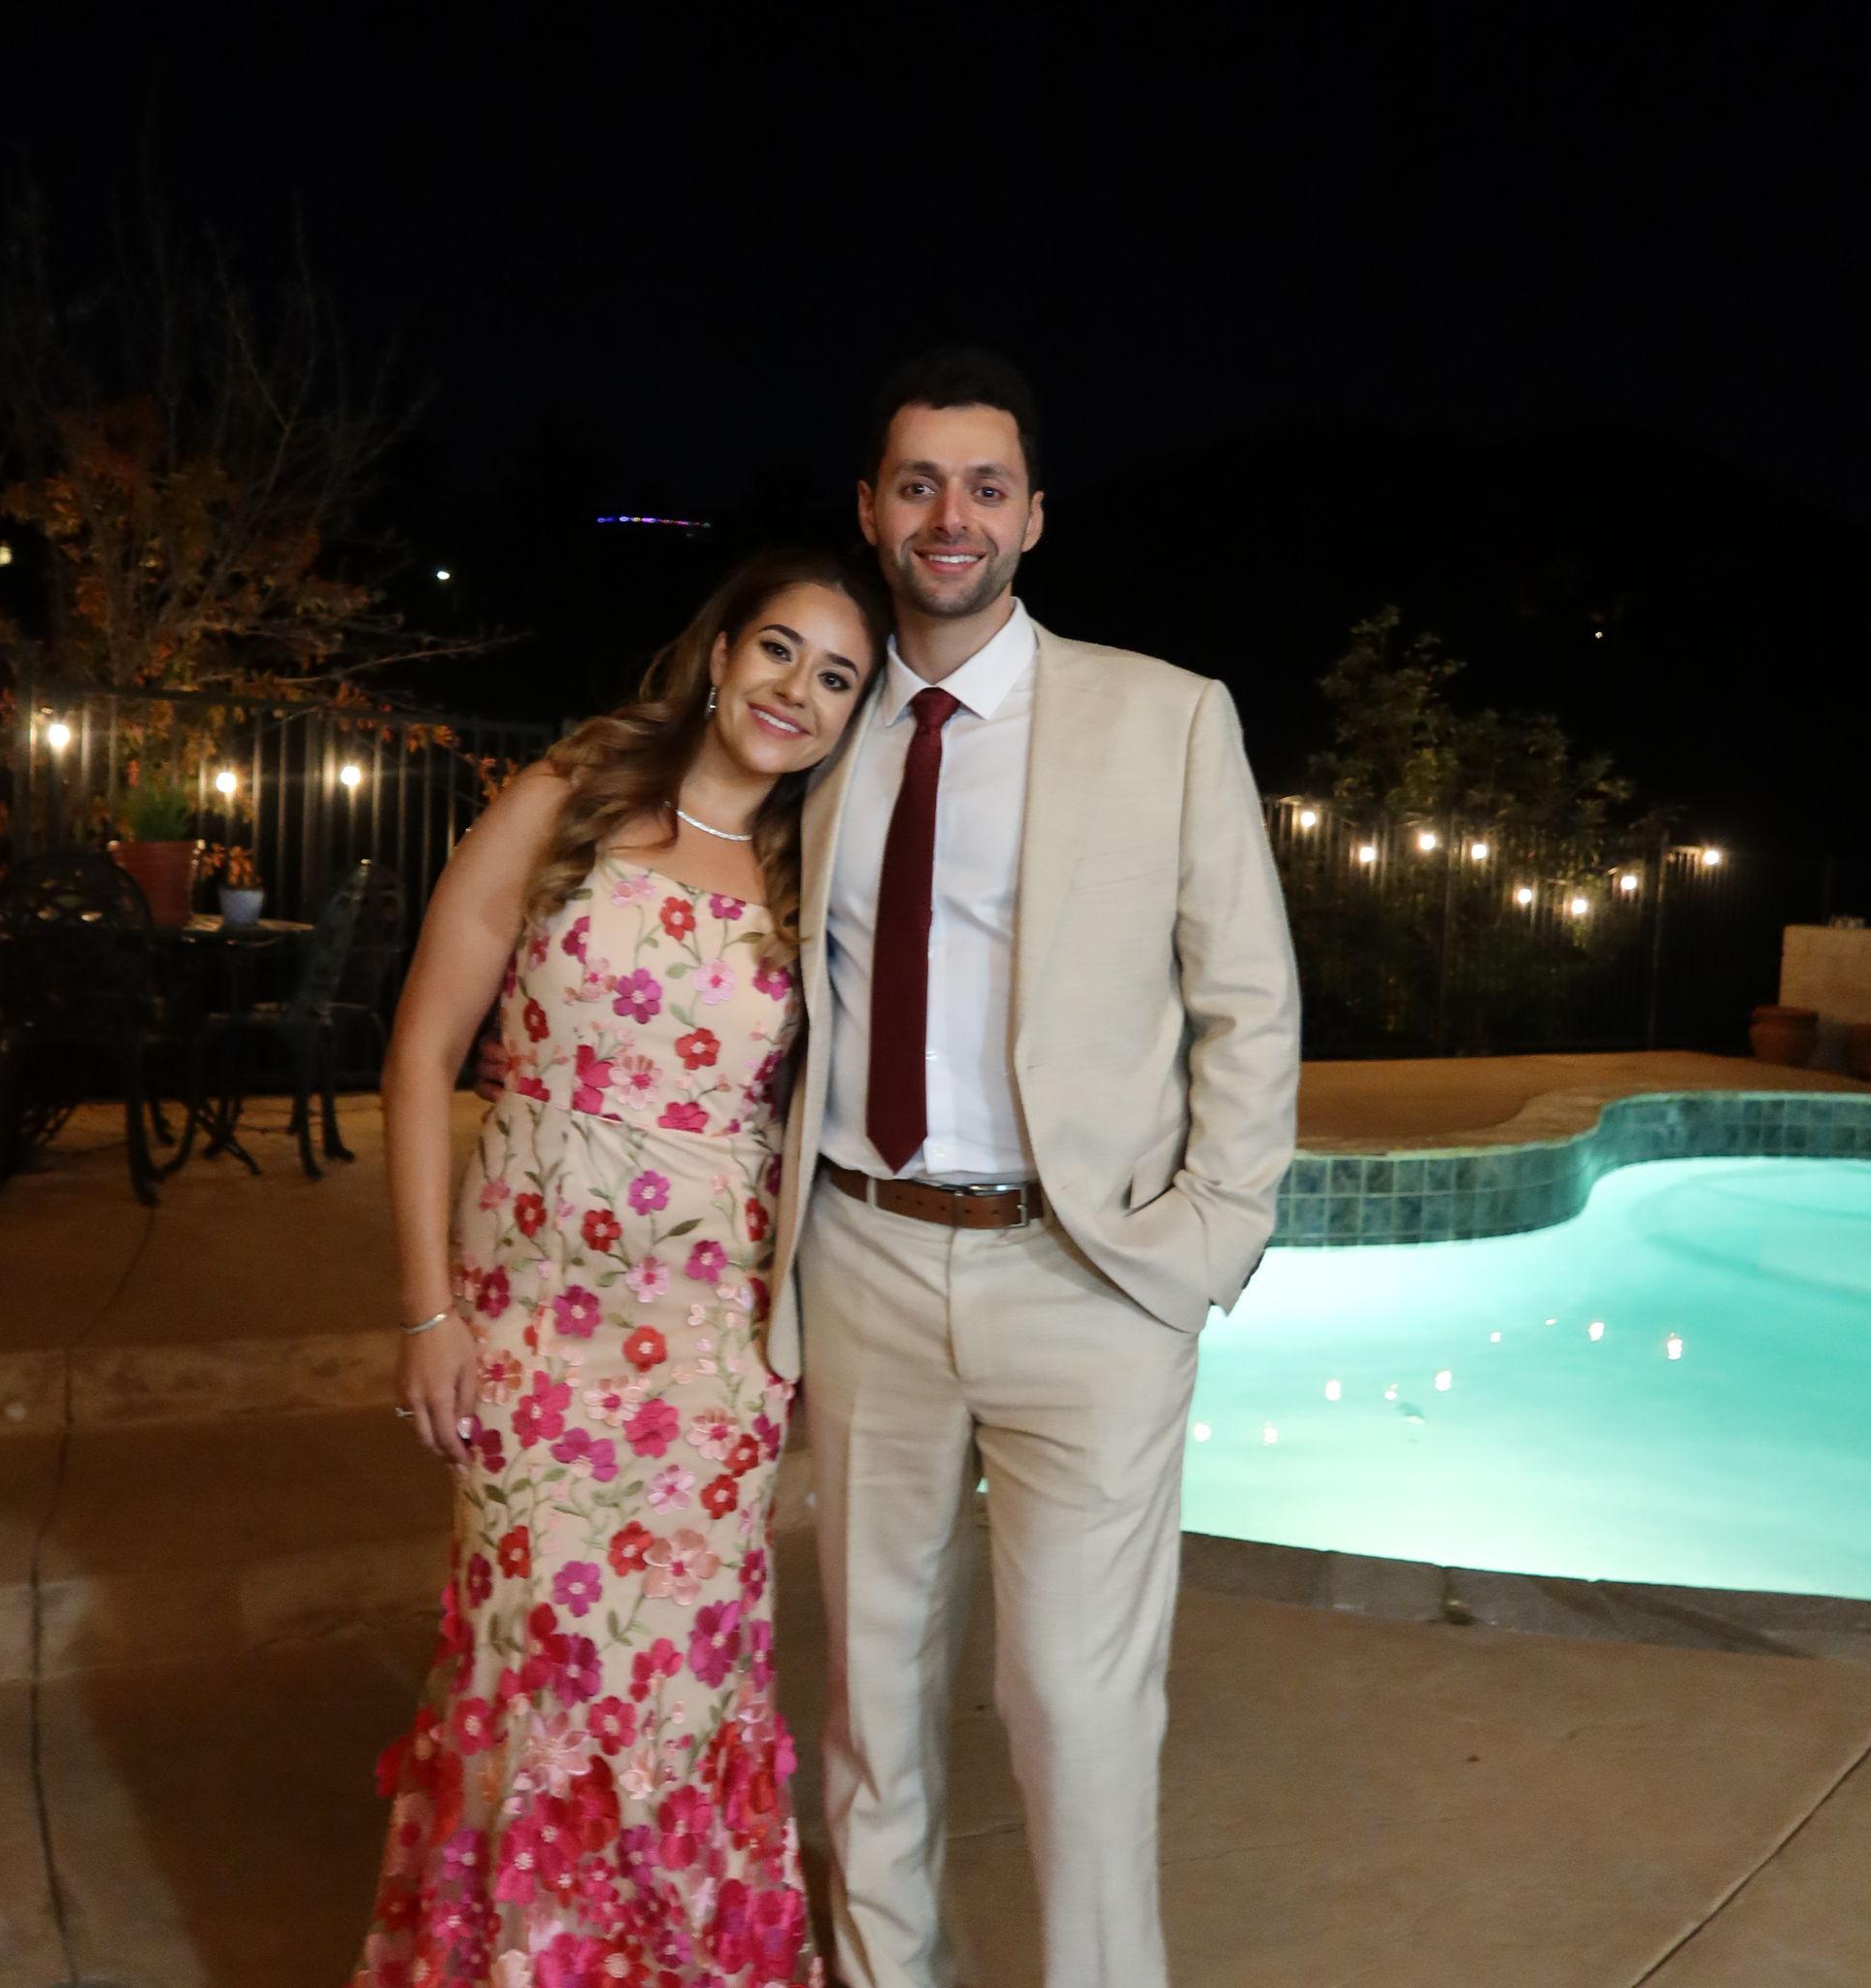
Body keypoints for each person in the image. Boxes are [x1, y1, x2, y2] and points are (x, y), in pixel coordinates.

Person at [770, 348, 1301, 1988]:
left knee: (1075, 1703)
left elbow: (1250, 999)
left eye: (986, 486)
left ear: (1036, 516)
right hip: (863, 1254)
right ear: (872, 511)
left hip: (1090, 1274)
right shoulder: (818, 730)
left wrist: (1205, 1244)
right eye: (919, 484)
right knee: (871, 1699)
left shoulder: (1166, 715)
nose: (953, 516)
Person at [350, 547, 886, 1988]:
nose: (798, 691)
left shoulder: (816, 879)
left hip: (709, 1367)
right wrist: (426, 1310)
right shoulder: (568, 799)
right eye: (779, 651)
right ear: (719, 654)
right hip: (528, 1339)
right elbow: (422, 1052)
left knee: (682, 1693)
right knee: (534, 1676)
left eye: (838, 678)